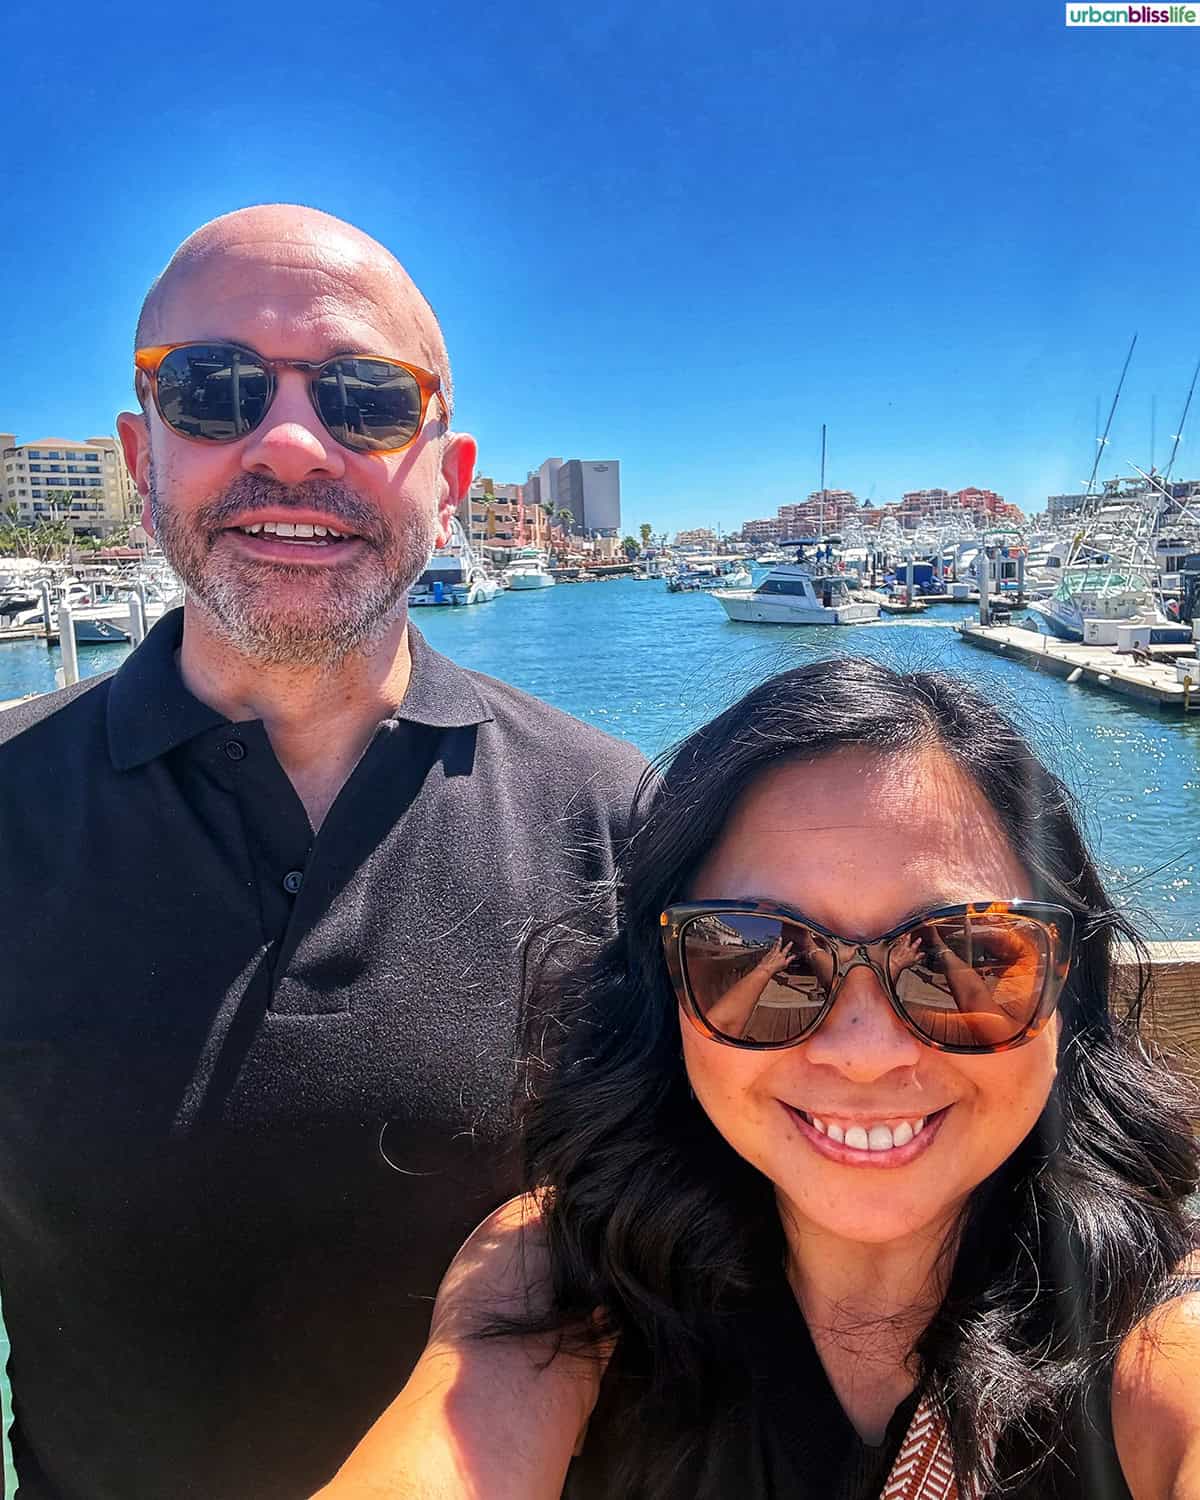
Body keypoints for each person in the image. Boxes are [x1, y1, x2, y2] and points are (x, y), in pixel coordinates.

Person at [0, 204, 646, 1500]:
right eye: (215, 390)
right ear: (142, 458)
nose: (289, 442)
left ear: (448, 480)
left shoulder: (618, 818)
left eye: (361, 398)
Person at [319, 658, 1200, 1500]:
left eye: (968, 954)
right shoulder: (564, 1267)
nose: (866, 1050)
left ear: (1065, 988)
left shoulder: (1158, 1319)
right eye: (759, 955)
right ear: (664, 992)